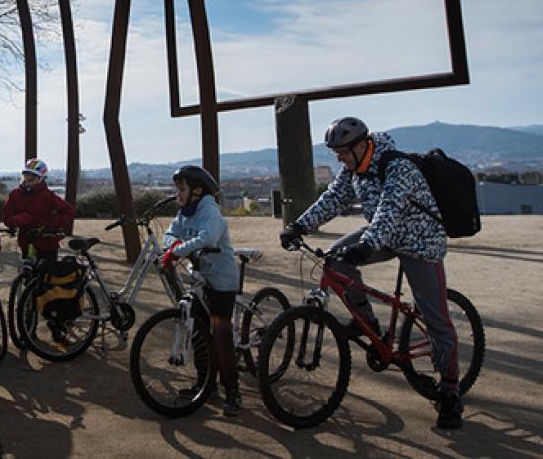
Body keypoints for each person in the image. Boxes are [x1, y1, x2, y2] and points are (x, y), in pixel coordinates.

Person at [280, 116, 464, 429]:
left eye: (342, 152)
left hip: (420, 241)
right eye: (336, 153)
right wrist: (299, 225)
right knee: (336, 259)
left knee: (435, 317)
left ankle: (450, 390)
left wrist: (367, 245)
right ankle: (368, 324)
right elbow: (333, 199)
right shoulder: (353, 168)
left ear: (361, 145)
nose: (339, 158)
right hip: (385, 236)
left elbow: (389, 211)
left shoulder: (397, 167)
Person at [160, 165, 242, 417]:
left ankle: (232, 391)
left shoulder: (210, 211)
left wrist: (177, 251)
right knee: (198, 331)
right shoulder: (185, 212)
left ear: (197, 191)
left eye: (182, 189)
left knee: (220, 333)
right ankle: (206, 384)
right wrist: (174, 243)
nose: (178, 194)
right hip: (201, 278)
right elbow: (169, 233)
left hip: (222, 279)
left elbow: (208, 238)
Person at [2, 159, 75, 262]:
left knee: (47, 271)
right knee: (28, 270)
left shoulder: (48, 196)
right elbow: (6, 218)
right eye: (26, 176)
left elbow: (69, 212)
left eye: (32, 178)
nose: (28, 180)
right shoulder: (15, 195)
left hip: (47, 243)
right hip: (26, 242)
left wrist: (51, 225)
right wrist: (17, 219)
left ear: (41, 178)